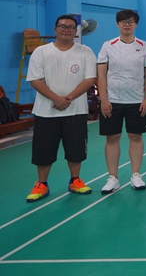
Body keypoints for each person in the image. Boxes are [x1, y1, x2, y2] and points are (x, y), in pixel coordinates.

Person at [25, 15, 97, 202]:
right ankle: (41, 184)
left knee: (76, 149)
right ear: (55, 29)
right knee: (43, 151)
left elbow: (90, 79)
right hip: (46, 111)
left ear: (76, 31)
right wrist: (56, 98)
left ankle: (75, 180)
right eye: (63, 26)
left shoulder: (85, 52)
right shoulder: (41, 52)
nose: (67, 29)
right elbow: (35, 80)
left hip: (76, 111)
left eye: (71, 27)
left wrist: (68, 98)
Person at [96, 9, 146, 193]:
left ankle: (136, 175)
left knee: (135, 137)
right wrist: (104, 99)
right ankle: (113, 177)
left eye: (131, 22)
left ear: (136, 25)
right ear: (117, 24)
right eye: (123, 21)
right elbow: (101, 74)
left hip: (136, 101)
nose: (127, 25)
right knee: (112, 138)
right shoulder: (108, 46)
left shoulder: (144, 46)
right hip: (112, 101)